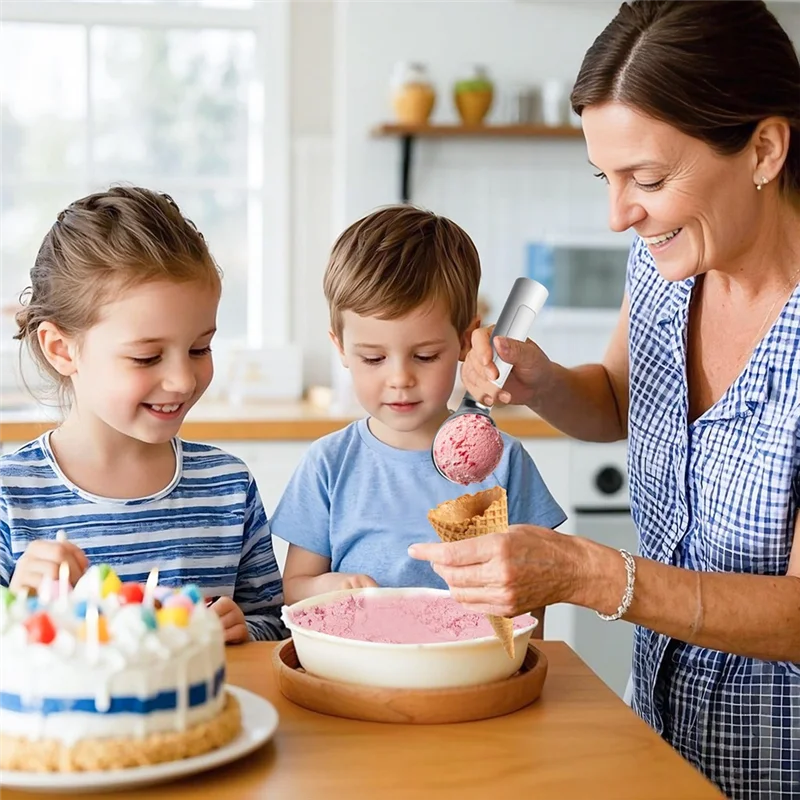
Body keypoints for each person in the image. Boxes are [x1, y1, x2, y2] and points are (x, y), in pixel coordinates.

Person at [409, 1, 800, 798]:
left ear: (763, 148)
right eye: (607, 178)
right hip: (655, 739)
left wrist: (590, 576)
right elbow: (622, 400)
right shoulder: (664, 264)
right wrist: (544, 382)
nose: (618, 213)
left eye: (647, 179)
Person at [0, 187, 286, 644]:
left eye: (199, 348)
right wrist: (18, 606)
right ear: (61, 349)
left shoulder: (227, 487)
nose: (182, 380)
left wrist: (242, 630)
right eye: (147, 357)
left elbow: (275, 624)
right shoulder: (12, 496)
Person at [270, 205, 566, 630]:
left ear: (466, 340)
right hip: (359, 671)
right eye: (372, 358)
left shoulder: (505, 463)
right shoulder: (329, 464)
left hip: (472, 672)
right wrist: (329, 587)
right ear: (341, 349)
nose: (400, 379)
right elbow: (294, 587)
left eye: (425, 356)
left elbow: (535, 599)